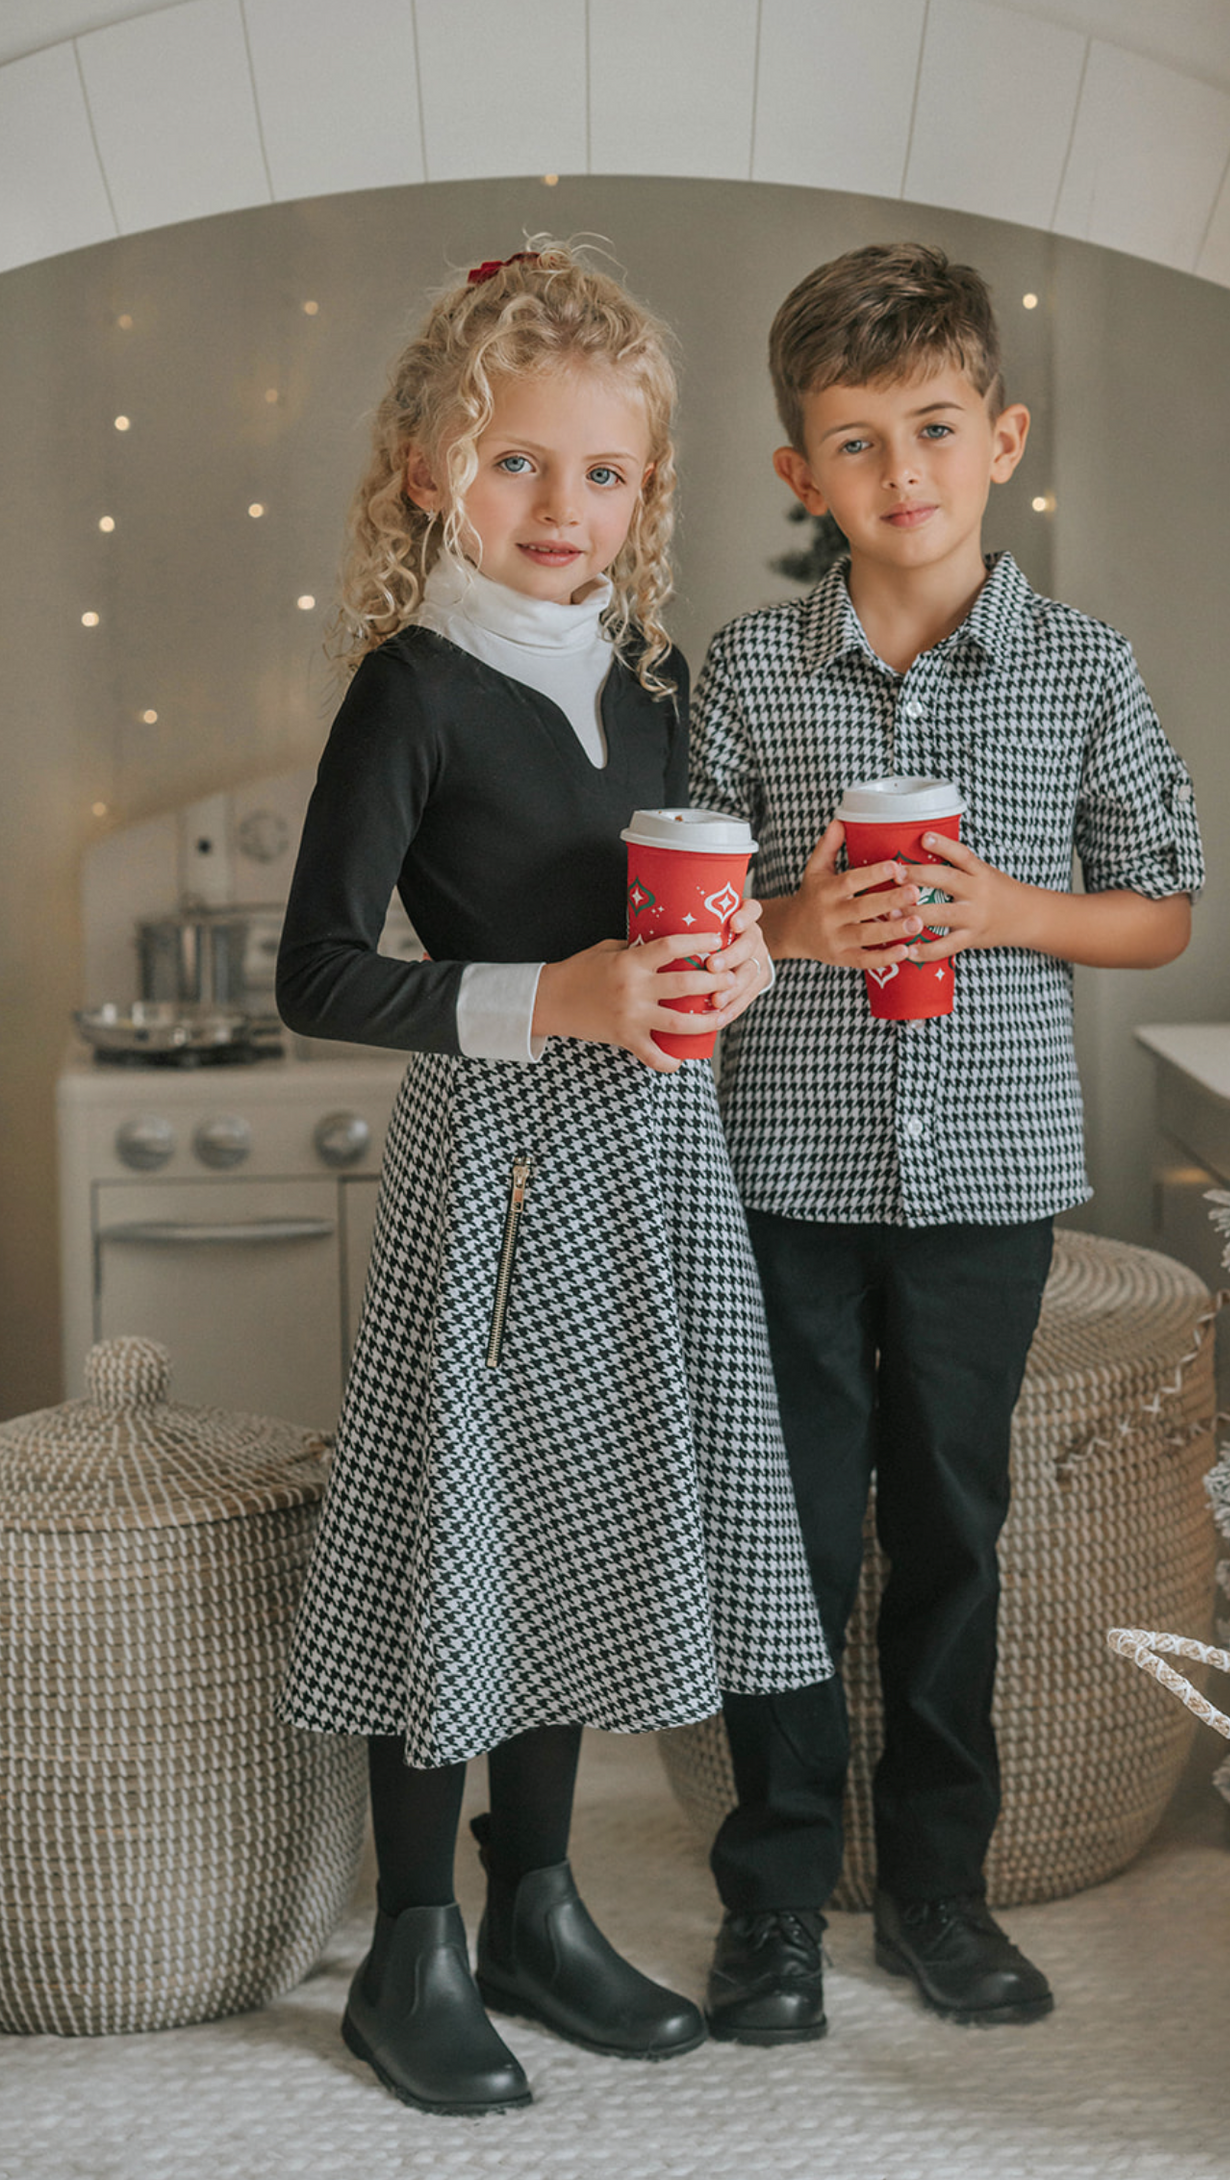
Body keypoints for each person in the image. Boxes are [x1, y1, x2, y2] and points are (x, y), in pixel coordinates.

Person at [274, 243, 832, 2116]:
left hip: (655, 1160)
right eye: (519, 464)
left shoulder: (659, 678)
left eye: (605, 475)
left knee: (585, 1511)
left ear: (647, 495)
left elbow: (695, 904)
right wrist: (560, 994)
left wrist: (740, 954)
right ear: (436, 466)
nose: (562, 509)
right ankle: (412, 1946)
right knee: (467, 1523)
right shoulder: (410, 689)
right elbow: (320, 972)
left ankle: (537, 1909)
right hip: (496, 1157)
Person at [689, 241, 1204, 2044]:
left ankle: (935, 1892)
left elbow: (1160, 910)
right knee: (792, 1542)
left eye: (931, 429)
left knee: (956, 1534)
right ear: (799, 475)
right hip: (787, 1189)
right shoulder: (746, 676)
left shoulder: (1080, 666)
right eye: (854, 443)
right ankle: (769, 1903)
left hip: (987, 1186)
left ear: (1003, 436)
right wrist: (797, 929)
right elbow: (694, 932)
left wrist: (1003, 912)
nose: (899, 475)